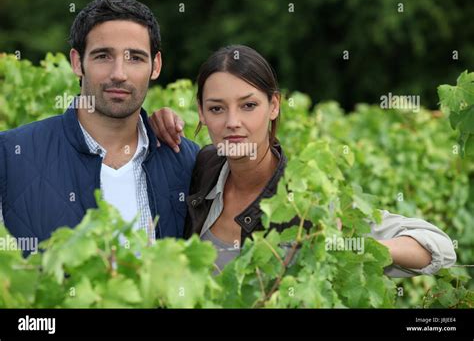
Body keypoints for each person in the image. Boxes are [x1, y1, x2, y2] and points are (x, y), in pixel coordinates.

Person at [149, 44, 457, 277]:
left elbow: (439, 246)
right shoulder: (200, 169)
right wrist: (155, 124)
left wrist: (348, 246)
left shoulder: (306, 197)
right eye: (217, 109)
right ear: (201, 113)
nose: (232, 122)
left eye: (248, 105)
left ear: (274, 106)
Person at [0, 0, 199, 254]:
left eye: (135, 58)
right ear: (76, 62)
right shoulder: (9, 155)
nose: (119, 73)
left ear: (156, 65)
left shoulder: (190, 161)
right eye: (103, 56)